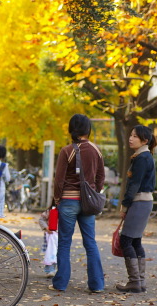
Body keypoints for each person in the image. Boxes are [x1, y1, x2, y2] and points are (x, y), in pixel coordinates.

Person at [50, 114, 105, 293]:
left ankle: (60, 283)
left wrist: (57, 198)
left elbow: (59, 180)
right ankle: (97, 284)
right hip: (88, 203)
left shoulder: (67, 151)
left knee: (65, 242)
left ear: (71, 128)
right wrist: (94, 191)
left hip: (68, 201)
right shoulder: (96, 150)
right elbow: (100, 177)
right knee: (90, 242)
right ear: (88, 129)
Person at [116, 125, 157, 293]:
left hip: (139, 202)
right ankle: (139, 282)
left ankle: (135, 282)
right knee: (135, 240)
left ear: (144, 141)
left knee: (126, 240)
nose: (130, 138)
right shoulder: (146, 156)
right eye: (131, 135)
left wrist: (124, 206)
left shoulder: (142, 158)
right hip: (145, 202)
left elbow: (133, 185)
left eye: (135, 136)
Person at [38, 208, 58, 277]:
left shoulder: (67, 211)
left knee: (59, 254)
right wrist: (47, 227)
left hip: (61, 236)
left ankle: (57, 270)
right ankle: (50, 270)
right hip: (50, 236)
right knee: (50, 253)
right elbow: (41, 219)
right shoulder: (50, 211)